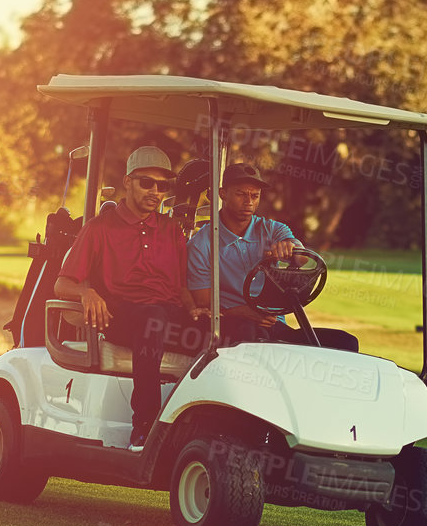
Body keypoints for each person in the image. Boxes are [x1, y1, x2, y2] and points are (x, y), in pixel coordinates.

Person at [55, 145, 204, 449]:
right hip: (122, 317)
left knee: (230, 336)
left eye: (162, 186)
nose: (156, 192)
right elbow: (62, 284)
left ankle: (208, 431)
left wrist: (195, 311)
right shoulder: (99, 229)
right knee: (153, 321)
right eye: (147, 183)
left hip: (167, 316)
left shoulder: (171, 230)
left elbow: (180, 288)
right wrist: (87, 291)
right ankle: (145, 426)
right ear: (128, 182)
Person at [186, 162, 358, 352]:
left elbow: (302, 258)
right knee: (252, 333)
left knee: (346, 342)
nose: (249, 201)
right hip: (232, 327)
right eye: (241, 194)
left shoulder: (272, 229)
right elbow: (204, 302)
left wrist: (291, 249)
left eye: (255, 196)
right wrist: (244, 313)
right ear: (223, 194)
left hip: (275, 325)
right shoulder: (201, 243)